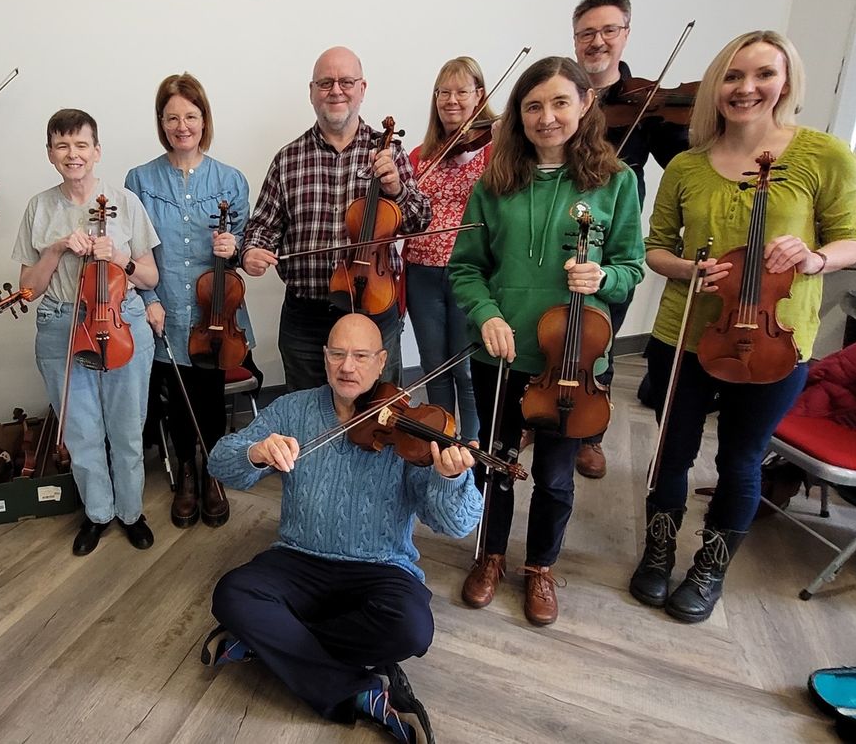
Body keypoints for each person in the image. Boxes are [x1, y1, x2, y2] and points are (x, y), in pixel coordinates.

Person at [631, 31, 856, 623]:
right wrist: (688, 268)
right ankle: (658, 552)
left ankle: (710, 567)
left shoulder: (824, 156)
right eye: (733, 76)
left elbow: (850, 239)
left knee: (741, 459)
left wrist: (813, 258)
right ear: (716, 86)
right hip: (685, 330)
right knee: (671, 453)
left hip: (775, 340)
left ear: (786, 82)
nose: (747, 87)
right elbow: (656, 249)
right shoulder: (685, 164)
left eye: (762, 74)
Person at [203, 313, 481, 744]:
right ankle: (362, 692)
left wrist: (451, 478)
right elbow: (220, 460)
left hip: (381, 567)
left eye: (361, 355)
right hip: (297, 559)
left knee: (411, 627)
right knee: (232, 593)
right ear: (325, 357)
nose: (347, 367)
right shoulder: (294, 409)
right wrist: (256, 452)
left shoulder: (411, 426)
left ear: (382, 360)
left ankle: (268, 643)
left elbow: (456, 522)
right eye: (337, 354)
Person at [449, 56, 644, 626]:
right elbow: (466, 268)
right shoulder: (493, 183)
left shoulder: (616, 182)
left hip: (572, 360)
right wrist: (486, 313)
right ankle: (489, 556)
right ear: (519, 115)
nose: (547, 116)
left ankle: (540, 568)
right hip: (504, 357)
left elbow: (632, 265)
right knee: (498, 463)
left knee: (557, 476)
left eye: (560, 102)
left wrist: (604, 276)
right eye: (533, 106)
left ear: (585, 104)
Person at [241, 46, 431, 391]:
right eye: (325, 82)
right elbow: (263, 225)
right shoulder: (288, 158)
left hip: (373, 310)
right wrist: (252, 250)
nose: (336, 90)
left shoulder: (389, 153)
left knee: (375, 416)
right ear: (312, 92)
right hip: (306, 317)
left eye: (346, 81)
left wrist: (398, 189)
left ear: (362, 88)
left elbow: (420, 221)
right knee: (306, 414)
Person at [14, 109, 160, 557]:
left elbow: (150, 277)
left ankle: (131, 512)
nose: (72, 154)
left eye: (81, 145)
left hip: (121, 323)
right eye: (62, 145)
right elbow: (28, 290)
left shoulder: (125, 202)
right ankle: (98, 513)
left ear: (97, 151)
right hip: (62, 323)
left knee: (127, 427)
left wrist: (119, 258)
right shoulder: (40, 207)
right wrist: (56, 249)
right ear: (50, 154)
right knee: (80, 431)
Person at [569, 0, 692, 478]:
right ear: (575, 40)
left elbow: (684, 167)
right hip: (557, 235)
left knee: (599, 337)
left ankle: (591, 432)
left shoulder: (649, 102)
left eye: (607, 30)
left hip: (611, 243)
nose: (596, 41)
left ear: (625, 34)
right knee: (550, 328)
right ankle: (546, 410)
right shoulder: (563, 94)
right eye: (586, 33)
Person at [125, 73, 250, 529]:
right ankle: (185, 476)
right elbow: (133, 248)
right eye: (173, 117)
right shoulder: (138, 179)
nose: (182, 126)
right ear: (162, 122)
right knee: (176, 395)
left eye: (191, 116)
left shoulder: (231, 180)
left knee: (210, 395)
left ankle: (211, 471)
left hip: (216, 311)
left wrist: (231, 247)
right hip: (163, 308)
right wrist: (148, 297)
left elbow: (244, 243)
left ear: (204, 119)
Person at [405, 57, 496, 443]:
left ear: (479, 96)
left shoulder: (495, 150)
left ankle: (472, 452)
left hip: (468, 273)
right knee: (434, 367)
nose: (452, 100)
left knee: (467, 369)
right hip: (420, 273)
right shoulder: (418, 156)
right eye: (444, 92)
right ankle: (440, 443)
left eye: (462, 91)